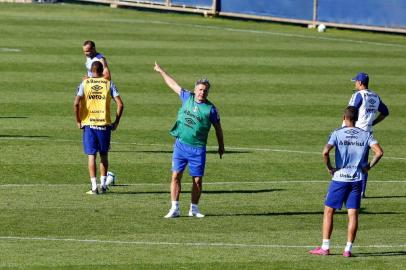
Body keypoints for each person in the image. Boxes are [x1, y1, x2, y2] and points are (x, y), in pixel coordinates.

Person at [310, 106, 383, 257]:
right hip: (357, 179)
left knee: (329, 212)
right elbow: (379, 152)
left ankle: (325, 247)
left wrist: (329, 167)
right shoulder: (366, 135)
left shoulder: (337, 133)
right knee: (353, 215)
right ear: (356, 119)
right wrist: (367, 167)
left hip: (340, 179)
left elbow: (325, 152)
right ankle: (348, 250)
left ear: (344, 118)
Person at [154, 62, 225, 218]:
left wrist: (221, 146)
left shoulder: (211, 109)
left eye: (205, 90)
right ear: (195, 89)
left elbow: (218, 129)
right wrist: (161, 71)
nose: (202, 93)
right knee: (175, 176)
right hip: (181, 145)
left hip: (198, 148)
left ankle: (194, 209)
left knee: (197, 180)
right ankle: (175, 208)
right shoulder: (187, 97)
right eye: (200, 89)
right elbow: (173, 84)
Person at [73, 61, 124, 194]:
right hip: (104, 124)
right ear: (102, 71)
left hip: (89, 124)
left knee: (91, 156)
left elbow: (76, 103)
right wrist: (116, 122)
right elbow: (120, 104)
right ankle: (103, 186)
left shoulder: (84, 84)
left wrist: (78, 120)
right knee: (104, 155)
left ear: (91, 70)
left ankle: (94, 187)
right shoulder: (109, 84)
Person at [346, 72, 389, 197]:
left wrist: (343, 129)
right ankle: (361, 191)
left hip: (355, 132)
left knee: (348, 162)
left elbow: (349, 113)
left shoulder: (358, 95)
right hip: (367, 133)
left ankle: (343, 189)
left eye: (355, 81)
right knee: (363, 163)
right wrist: (373, 122)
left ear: (360, 82)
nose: (355, 83)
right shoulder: (375, 96)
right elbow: (385, 112)